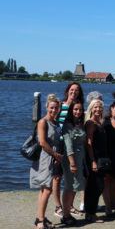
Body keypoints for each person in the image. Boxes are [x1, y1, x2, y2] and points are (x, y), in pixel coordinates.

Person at [30, 94, 62, 229]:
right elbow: (42, 142)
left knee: (44, 189)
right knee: (47, 189)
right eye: (51, 108)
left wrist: (57, 156)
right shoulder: (43, 122)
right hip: (45, 158)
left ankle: (40, 217)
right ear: (47, 107)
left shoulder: (55, 122)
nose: (53, 110)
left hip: (53, 157)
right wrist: (56, 154)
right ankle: (41, 220)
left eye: (56, 108)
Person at [54, 82, 84, 218]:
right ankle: (58, 206)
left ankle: (69, 206)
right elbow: (54, 123)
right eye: (72, 89)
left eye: (77, 90)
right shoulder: (61, 105)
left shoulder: (78, 106)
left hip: (72, 144)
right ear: (67, 91)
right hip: (59, 144)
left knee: (73, 179)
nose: (74, 92)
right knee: (57, 176)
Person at [60, 101, 86, 225]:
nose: (78, 112)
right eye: (75, 109)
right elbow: (68, 146)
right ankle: (65, 215)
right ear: (71, 111)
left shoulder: (79, 124)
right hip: (71, 160)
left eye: (80, 110)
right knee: (69, 187)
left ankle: (68, 213)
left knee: (75, 187)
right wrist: (72, 163)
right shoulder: (67, 126)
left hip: (79, 160)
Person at [84, 99, 106, 223]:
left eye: (100, 107)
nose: (98, 109)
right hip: (94, 158)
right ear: (91, 109)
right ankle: (90, 213)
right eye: (95, 107)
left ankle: (91, 212)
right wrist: (92, 161)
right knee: (94, 187)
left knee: (99, 186)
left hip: (101, 158)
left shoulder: (99, 123)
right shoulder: (90, 123)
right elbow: (89, 143)